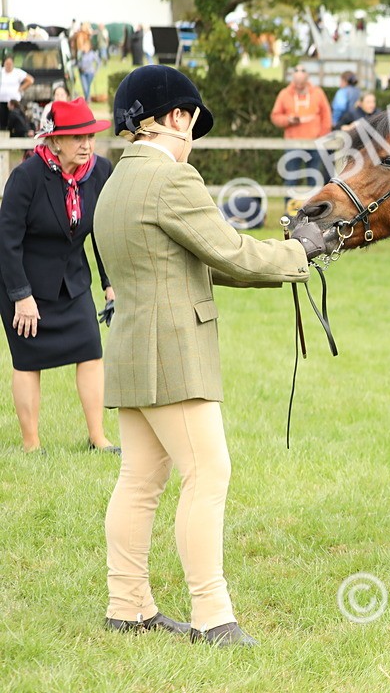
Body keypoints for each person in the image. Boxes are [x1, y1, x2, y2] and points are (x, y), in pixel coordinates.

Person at [95, 65, 328, 646]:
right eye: (192, 124)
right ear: (175, 118)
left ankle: (127, 604)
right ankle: (212, 615)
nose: (192, 139)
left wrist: (282, 258)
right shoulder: (172, 180)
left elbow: (195, 260)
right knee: (207, 473)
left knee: (139, 479)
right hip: (173, 351)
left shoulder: (115, 182)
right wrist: (299, 252)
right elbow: (230, 253)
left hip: (130, 347)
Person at [0, 98, 118, 454]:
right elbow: (6, 241)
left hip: (73, 282)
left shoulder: (101, 171)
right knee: (28, 361)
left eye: (90, 136)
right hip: (24, 283)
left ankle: (97, 438)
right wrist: (21, 296)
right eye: (77, 137)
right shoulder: (26, 177)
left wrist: (110, 284)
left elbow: (105, 232)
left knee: (91, 351)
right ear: (54, 141)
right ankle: (31, 444)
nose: (86, 145)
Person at [269, 67, 332, 213]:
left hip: (315, 144)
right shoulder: (284, 94)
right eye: (296, 83)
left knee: (314, 179)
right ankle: (289, 211)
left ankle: (313, 211)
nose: (298, 86)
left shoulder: (318, 93)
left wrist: (321, 136)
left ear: (307, 79)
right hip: (293, 143)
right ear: (293, 80)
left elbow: (326, 117)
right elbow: (275, 116)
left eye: (301, 84)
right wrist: (288, 120)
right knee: (291, 178)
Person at [0, 55, 34, 132]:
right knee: (2, 122)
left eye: (10, 64)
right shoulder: (1, 72)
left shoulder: (17, 72)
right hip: (2, 101)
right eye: (7, 64)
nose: (8, 66)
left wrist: (21, 89)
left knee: (14, 119)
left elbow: (30, 80)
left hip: (14, 101)